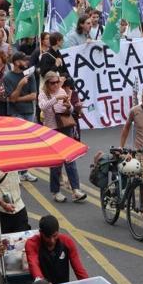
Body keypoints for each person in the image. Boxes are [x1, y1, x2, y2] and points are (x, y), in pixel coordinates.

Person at [38, 71, 86, 202]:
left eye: (58, 82)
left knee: (70, 159)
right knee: (56, 163)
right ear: (47, 83)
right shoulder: (43, 94)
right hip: (52, 130)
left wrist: (68, 107)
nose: (56, 85)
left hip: (66, 127)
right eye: (53, 83)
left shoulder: (62, 91)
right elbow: (42, 107)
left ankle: (75, 190)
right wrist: (55, 99)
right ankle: (55, 191)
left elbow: (70, 110)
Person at [25, 215, 88, 284]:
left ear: (58, 231)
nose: (52, 240)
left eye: (55, 235)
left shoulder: (67, 242)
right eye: (48, 237)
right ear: (41, 233)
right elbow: (34, 265)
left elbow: (79, 270)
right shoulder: (32, 244)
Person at [4, 52, 36, 122]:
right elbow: (12, 98)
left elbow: (33, 96)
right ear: (17, 62)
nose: (26, 62)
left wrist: (16, 99)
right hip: (15, 112)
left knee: (29, 133)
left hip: (29, 112)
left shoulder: (30, 74)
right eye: (24, 60)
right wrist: (20, 85)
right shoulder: (7, 77)